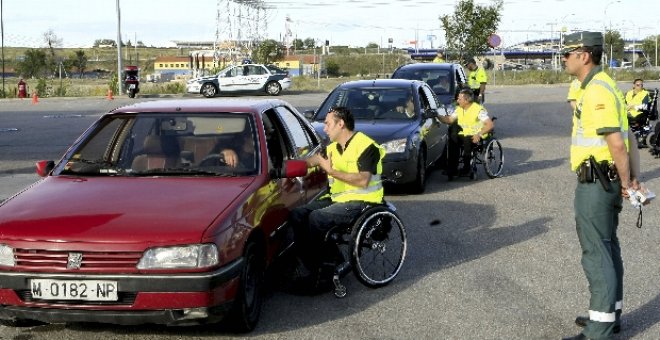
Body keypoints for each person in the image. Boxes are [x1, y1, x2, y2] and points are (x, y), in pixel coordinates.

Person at [560, 31, 644, 340]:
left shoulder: (596, 90)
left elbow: (617, 144)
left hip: (596, 182)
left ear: (584, 55)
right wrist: (631, 178)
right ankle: (609, 314)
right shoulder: (603, 84)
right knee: (607, 247)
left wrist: (627, 180)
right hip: (604, 179)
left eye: (568, 54)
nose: (564, 59)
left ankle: (600, 329)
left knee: (596, 252)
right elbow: (628, 137)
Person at [288, 106, 385, 286]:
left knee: (317, 219)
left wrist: (330, 170)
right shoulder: (332, 147)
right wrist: (285, 167)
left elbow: (363, 180)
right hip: (339, 200)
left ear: (341, 124)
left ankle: (324, 269)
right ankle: (317, 265)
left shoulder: (366, 146)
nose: (324, 128)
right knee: (298, 214)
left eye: (327, 124)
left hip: (363, 202)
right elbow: (314, 160)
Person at [438, 88, 493, 179]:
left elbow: (490, 125)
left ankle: (467, 168)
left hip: (476, 135)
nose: (457, 100)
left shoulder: (478, 109)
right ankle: (452, 168)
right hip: (464, 133)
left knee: (467, 139)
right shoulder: (459, 109)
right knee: (453, 138)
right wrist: (437, 115)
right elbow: (449, 120)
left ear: (466, 100)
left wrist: (479, 134)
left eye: (459, 99)